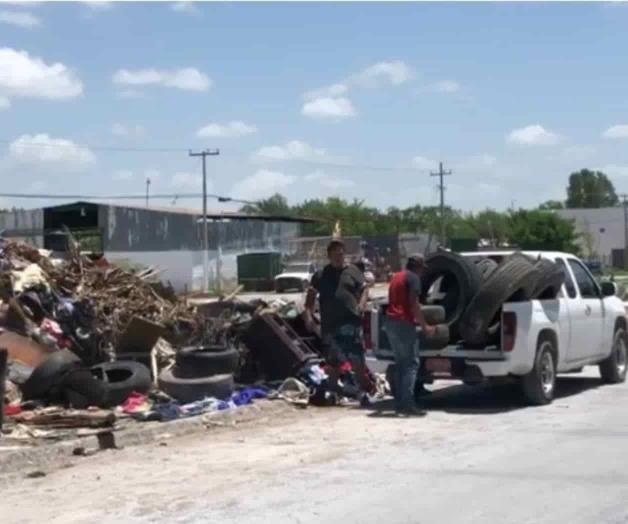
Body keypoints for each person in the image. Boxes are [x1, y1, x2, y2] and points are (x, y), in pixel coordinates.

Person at [304, 240, 372, 404]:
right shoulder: (321, 275)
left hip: (351, 323)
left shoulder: (353, 271)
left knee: (357, 360)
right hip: (330, 325)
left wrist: (361, 305)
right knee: (333, 361)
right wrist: (309, 316)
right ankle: (333, 392)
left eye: (341, 253)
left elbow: (365, 288)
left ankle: (362, 392)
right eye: (335, 254)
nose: (339, 256)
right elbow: (311, 297)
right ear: (329, 256)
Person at [386, 254, 435, 416]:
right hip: (404, 323)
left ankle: (400, 402)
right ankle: (408, 404)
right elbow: (413, 304)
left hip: (391, 322)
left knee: (401, 364)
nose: (422, 272)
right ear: (418, 266)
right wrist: (425, 326)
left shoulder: (396, 277)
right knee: (412, 364)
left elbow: (399, 300)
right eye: (422, 269)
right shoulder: (413, 278)